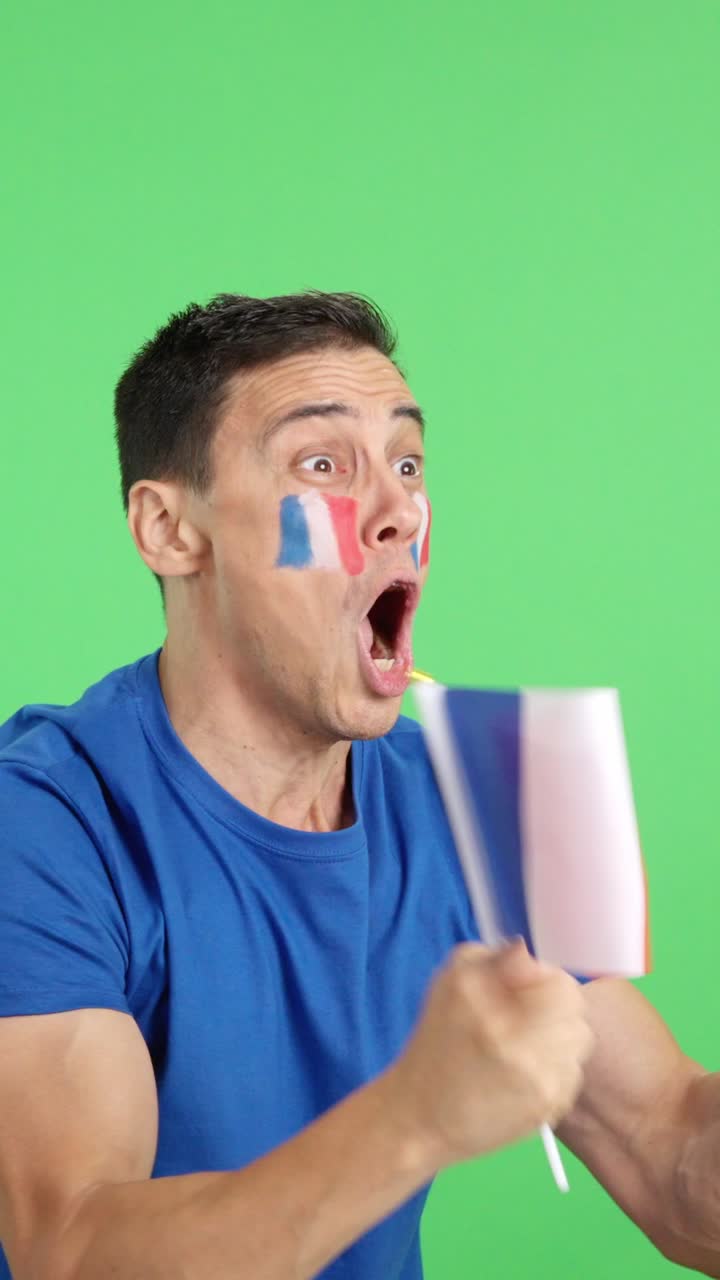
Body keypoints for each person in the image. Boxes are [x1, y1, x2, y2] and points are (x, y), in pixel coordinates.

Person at [0, 292, 717, 1280]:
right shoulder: (45, 822)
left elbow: (671, 1153)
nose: (399, 511)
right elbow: (72, 1246)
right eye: (323, 466)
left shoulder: (477, 800)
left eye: (408, 464)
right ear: (169, 529)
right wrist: (414, 1116)